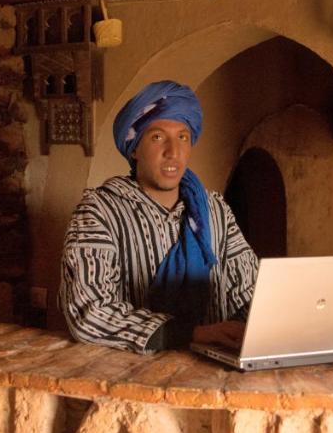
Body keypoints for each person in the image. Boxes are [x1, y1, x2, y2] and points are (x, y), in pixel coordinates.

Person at [60, 80, 259, 353]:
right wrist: (193, 334)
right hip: (135, 377)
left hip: (212, 370)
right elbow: (89, 312)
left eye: (183, 137)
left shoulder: (215, 211)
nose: (173, 152)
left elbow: (248, 291)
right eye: (157, 137)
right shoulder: (99, 211)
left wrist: (254, 327)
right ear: (134, 148)